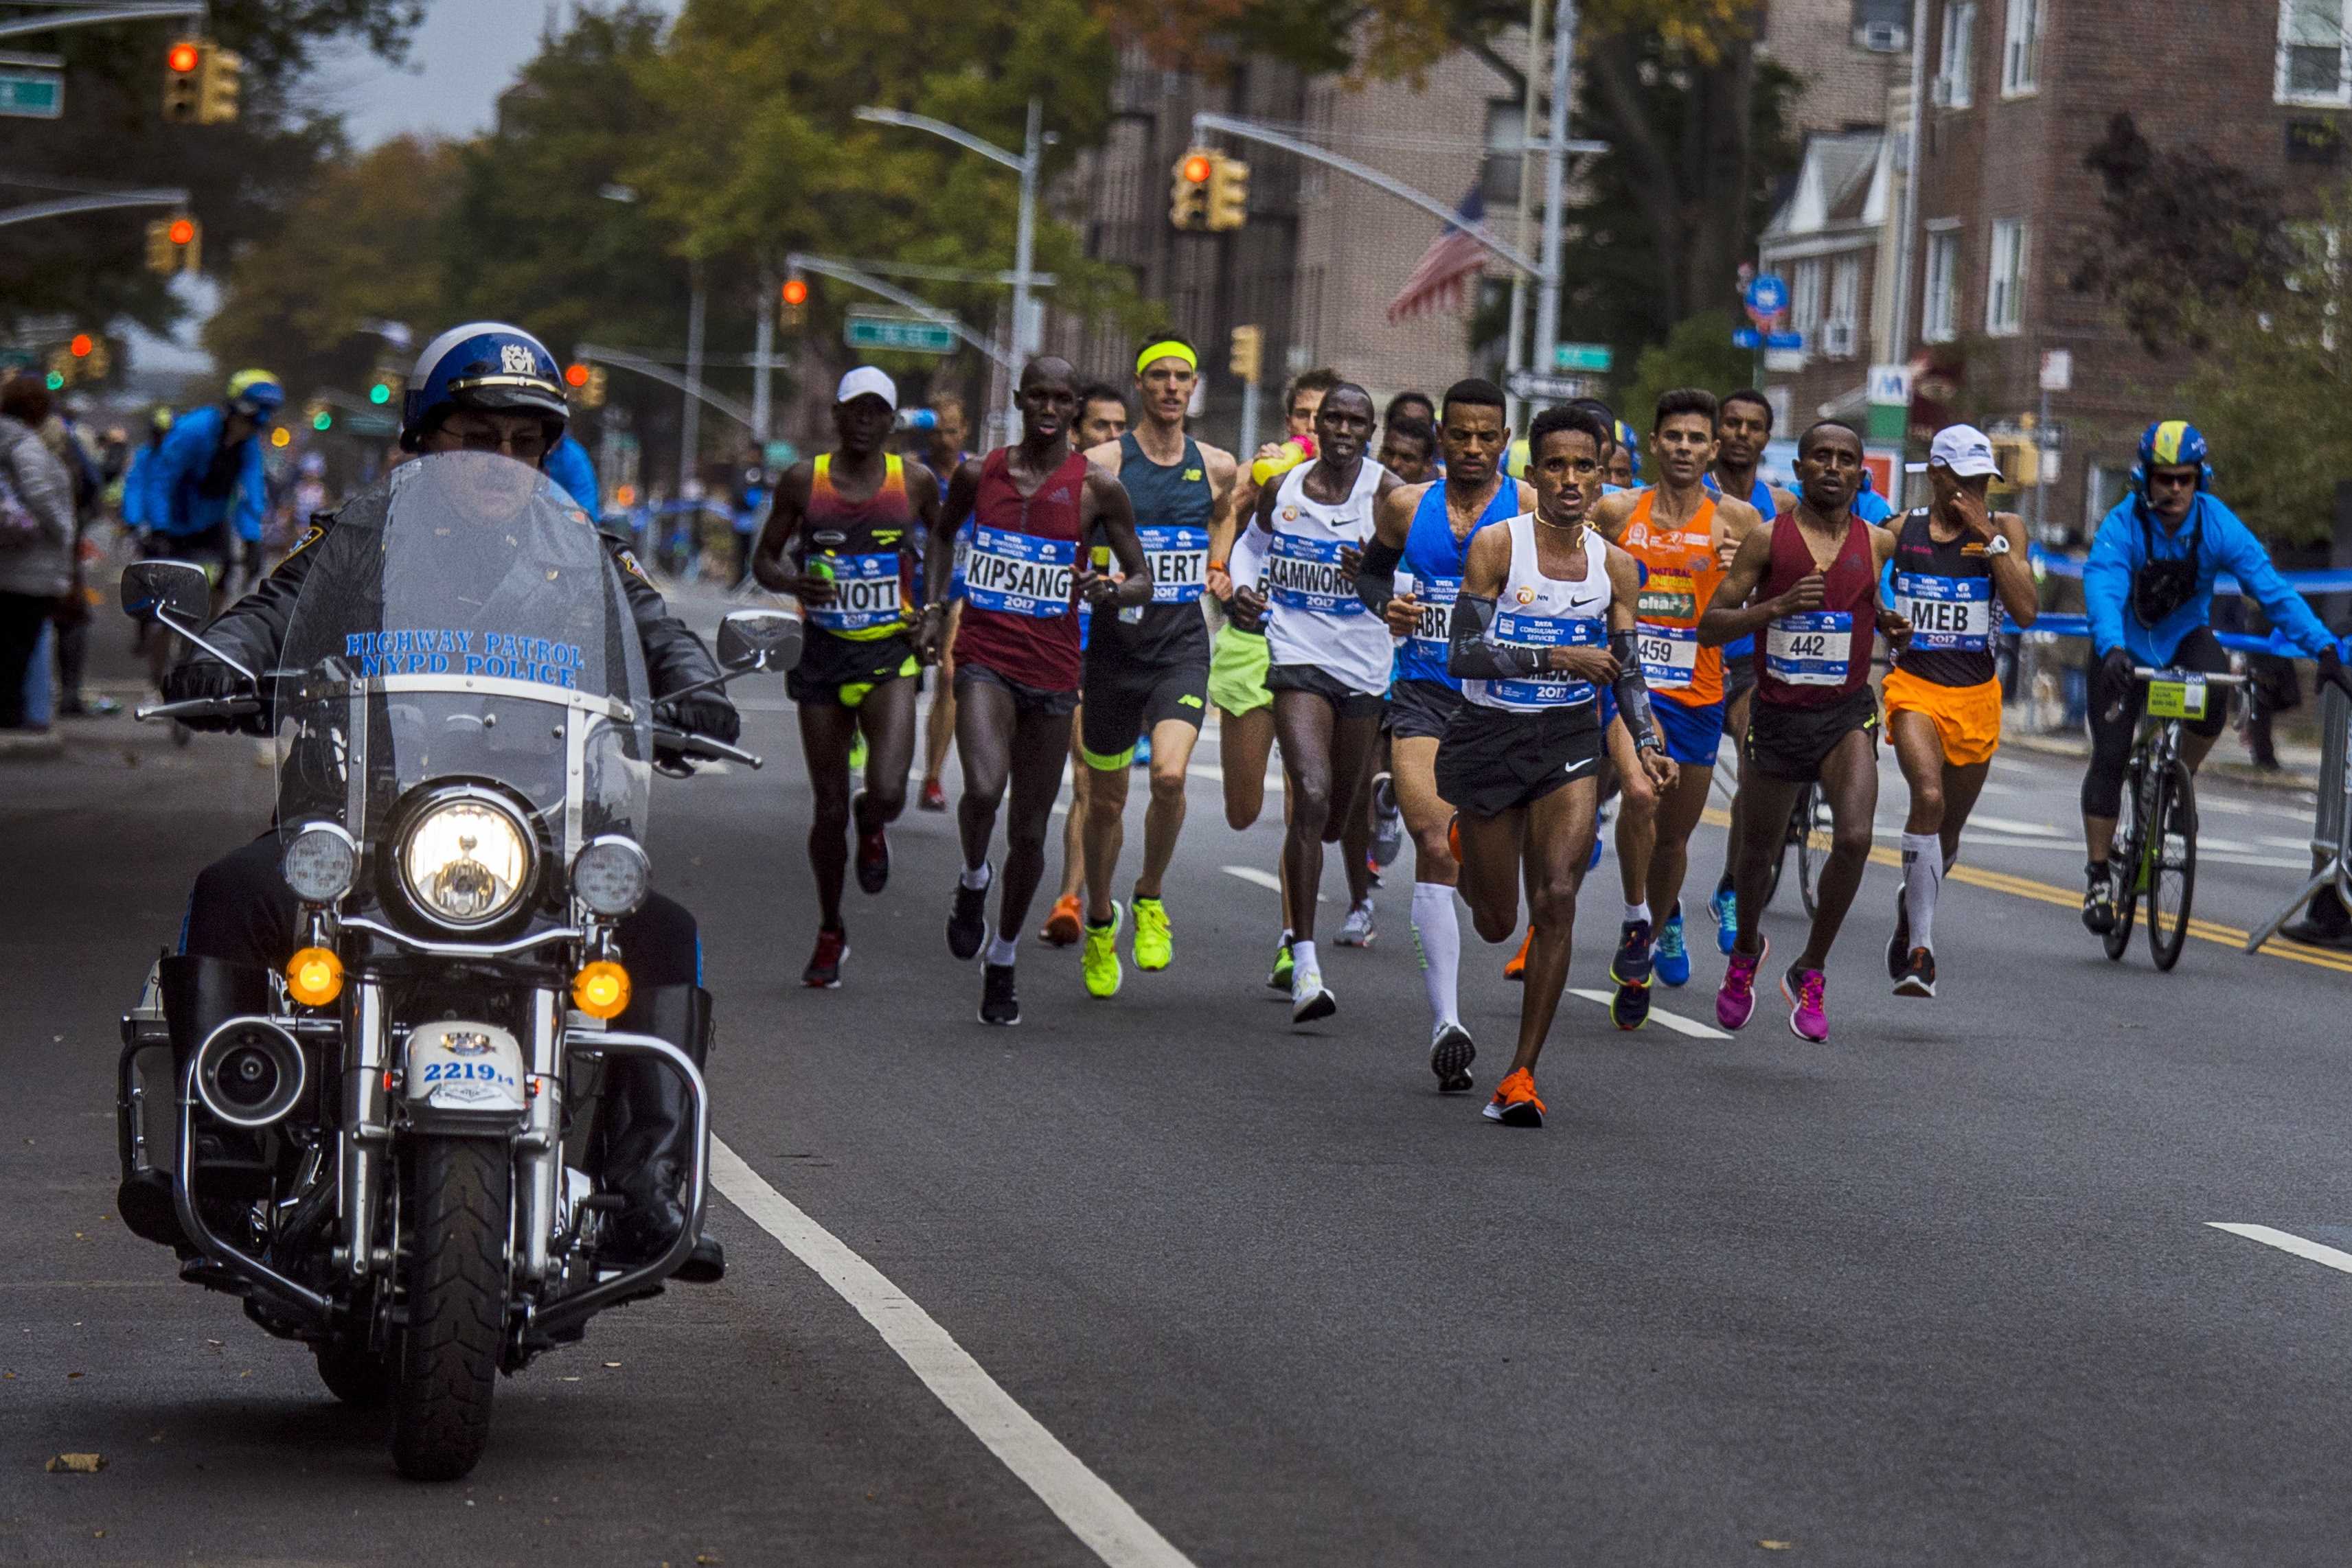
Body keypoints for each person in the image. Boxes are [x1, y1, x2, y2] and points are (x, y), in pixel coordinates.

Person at [161, 322, 739, 1279]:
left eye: (524, 444)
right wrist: (227, 659)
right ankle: (224, 1155)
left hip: (538, 829)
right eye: (477, 437)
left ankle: (649, 1183)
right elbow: (274, 608)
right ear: (427, 438)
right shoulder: (358, 536)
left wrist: (696, 691)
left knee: (662, 928)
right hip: (364, 819)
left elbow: (657, 629)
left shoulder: (583, 547)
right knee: (233, 891)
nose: (500, 462)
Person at [1440, 404, 1673, 1126]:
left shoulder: (1618, 567)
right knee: (1493, 918)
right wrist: (1556, 655)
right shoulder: (1496, 547)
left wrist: (1646, 738)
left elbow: (1625, 667)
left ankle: (1519, 1074)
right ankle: (1467, 846)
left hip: (1566, 740)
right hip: (1487, 735)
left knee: (1557, 899)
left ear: (1602, 475)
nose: (1571, 480)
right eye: (1556, 466)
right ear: (1533, 473)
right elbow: (1463, 654)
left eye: (1585, 467)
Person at [922, 358, 1149, 1026]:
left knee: (1028, 829)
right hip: (985, 659)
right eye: (1038, 397)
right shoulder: (978, 473)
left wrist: (1109, 590)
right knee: (984, 791)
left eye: (1061, 399)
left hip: (1053, 672)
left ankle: (1003, 953)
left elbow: (1141, 577)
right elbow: (941, 537)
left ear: (1074, 408)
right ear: (1021, 401)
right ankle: (971, 880)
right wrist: (938, 605)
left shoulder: (1098, 490)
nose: (1048, 408)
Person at [2078, 420, 2349, 933]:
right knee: (2110, 756)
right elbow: (2103, 584)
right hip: (2123, 647)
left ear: (2199, 479)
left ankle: (2178, 780)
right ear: (2146, 479)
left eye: (2185, 478)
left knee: (2211, 693)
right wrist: (2111, 646)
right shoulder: (2123, 525)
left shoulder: (2217, 525)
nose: (2175, 489)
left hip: (2183, 638)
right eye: (2164, 479)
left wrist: (2325, 649)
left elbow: (2269, 589)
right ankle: (2097, 876)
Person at [1699, 420, 1908, 1043]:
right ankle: (1744, 955)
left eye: (1846, 459)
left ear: (1858, 474)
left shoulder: (1875, 543)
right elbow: (1710, 626)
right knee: (1756, 858)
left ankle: (1809, 968)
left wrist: (1892, 623)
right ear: (1800, 469)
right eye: (1821, 456)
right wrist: (1775, 609)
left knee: (1855, 838)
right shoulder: (1769, 539)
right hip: (1778, 716)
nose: (1833, 468)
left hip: (1844, 714)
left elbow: (1875, 601)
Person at [1354, 378, 1530, 1087]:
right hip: (1423, 694)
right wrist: (1387, 608)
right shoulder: (1406, 506)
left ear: (1505, 441)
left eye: (1486, 435)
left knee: (1494, 908)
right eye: (1459, 434)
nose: (1472, 447)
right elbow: (1369, 578)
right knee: (1434, 841)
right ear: (1440, 439)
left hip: (1504, 706)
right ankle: (1446, 1022)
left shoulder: (1533, 511)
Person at [753, 367, 942, 988]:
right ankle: (831, 929)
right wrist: (790, 581)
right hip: (823, 657)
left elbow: (942, 543)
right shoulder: (804, 480)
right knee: (826, 805)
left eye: (876, 411)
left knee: (885, 791)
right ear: (836, 415)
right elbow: (765, 557)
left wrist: (933, 610)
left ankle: (875, 822)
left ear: (891, 422)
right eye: (854, 410)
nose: (864, 420)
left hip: (888, 654)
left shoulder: (912, 482)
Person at [1587, 389, 1768, 1027]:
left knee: (1674, 838)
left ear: (1712, 450)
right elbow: (1567, 565)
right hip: (1632, 687)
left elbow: (1778, 591)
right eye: (1673, 438)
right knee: (1638, 794)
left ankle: (1656, 917)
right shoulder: (1614, 511)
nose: (1684, 449)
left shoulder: (1740, 522)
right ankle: (1638, 922)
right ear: (1654, 443)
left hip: (1699, 693)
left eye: (1697, 440)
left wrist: (1740, 576)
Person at [1224, 381, 1400, 1024]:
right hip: (1297, 658)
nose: (1344, 430)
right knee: (1312, 793)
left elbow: (1414, 580)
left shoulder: (1386, 497)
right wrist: (1242, 591)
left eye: (1357, 421)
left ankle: (1357, 819)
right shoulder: (1286, 488)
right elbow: (1250, 547)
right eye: (1334, 419)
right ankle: (1303, 962)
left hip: (1362, 667)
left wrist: (1376, 575)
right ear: (1317, 427)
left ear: (1370, 431)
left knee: (1333, 819)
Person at [1075, 340, 1235, 995]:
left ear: (1193, 386)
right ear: (1140, 386)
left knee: (1169, 777)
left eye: (1182, 378)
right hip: (1114, 651)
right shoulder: (1102, 465)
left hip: (1180, 646)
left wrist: (1218, 565)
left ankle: (1149, 897)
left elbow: (1227, 511)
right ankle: (1097, 918)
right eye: (1159, 377)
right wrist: (1087, 576)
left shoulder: (1216, 465)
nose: (1172, 388)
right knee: (1105, 801)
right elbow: (1069, 538)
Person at [1880, 424, 2038, 997]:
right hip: (1914, 689)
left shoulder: (2006, 530)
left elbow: (2025, 611)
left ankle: (1911, 907)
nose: (1976, 493)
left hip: (1976, 697)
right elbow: (1860, 587)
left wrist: (1988, 538)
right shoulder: (1902, 531)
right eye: (1965, 481)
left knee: (1947, 836)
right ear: (1936, 475)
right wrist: (1883, 618)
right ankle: (1921, 951)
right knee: (1927, 797)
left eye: (1984, 482)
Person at [1208, 366, 1338, 991]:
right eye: (1306, 415)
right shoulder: (1263, 470)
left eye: (1328, 416)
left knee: (1304, 798)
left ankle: (1296, 941)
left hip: (1313, 649)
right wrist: (1223, 571)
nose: (1316, 427)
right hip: (1251, 645)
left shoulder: (1357, 485)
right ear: (1290, 421)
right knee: (1242, 809)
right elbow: (1225, 516)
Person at [1702, 389, 1797, 956]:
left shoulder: (1781, 506)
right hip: (1682, 656)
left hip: (1743, 662)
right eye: (1730, 423)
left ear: (1766, 437)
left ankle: (1734, 885)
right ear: (1715, 434)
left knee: (1756, 756)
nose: (1740, 433)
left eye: (1752, 426)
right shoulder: (1689, 493)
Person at [1040, 382, 1134, 947]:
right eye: (1102, 427)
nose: (1114, 438)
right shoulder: (1056, 493)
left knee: (1088, 781)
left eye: (1121, 428)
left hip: (1111, 649)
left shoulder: (1128, 495)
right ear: (1077, 434)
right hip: (1052, 643)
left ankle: (1071, 898)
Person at [139, 369, 282, 693]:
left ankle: (200, 641)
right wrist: (157, 527)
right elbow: (162, 479)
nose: (250, 428)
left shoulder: (249, 447)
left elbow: (252, 492)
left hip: (212, 523)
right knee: (170, 602)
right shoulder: (193, 430)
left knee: (222, 580)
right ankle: (160, 659)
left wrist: (252, 539)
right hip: (173, 525)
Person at [0, 378, 76, 729]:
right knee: (19, 644)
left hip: (11, 561)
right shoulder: (25, 444)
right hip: (29, 566)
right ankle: (11, 714)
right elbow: (40, 492)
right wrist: (63, 530)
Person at [917, 393, 975, 814]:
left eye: (951, 431)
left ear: (965, 431)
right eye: (936, 431)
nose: (944, 440)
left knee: (951, 676)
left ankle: (934, 776)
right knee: (895, 679)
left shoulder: (976, 475)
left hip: (959, 588)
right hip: (913, 588)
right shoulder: (912, 473)